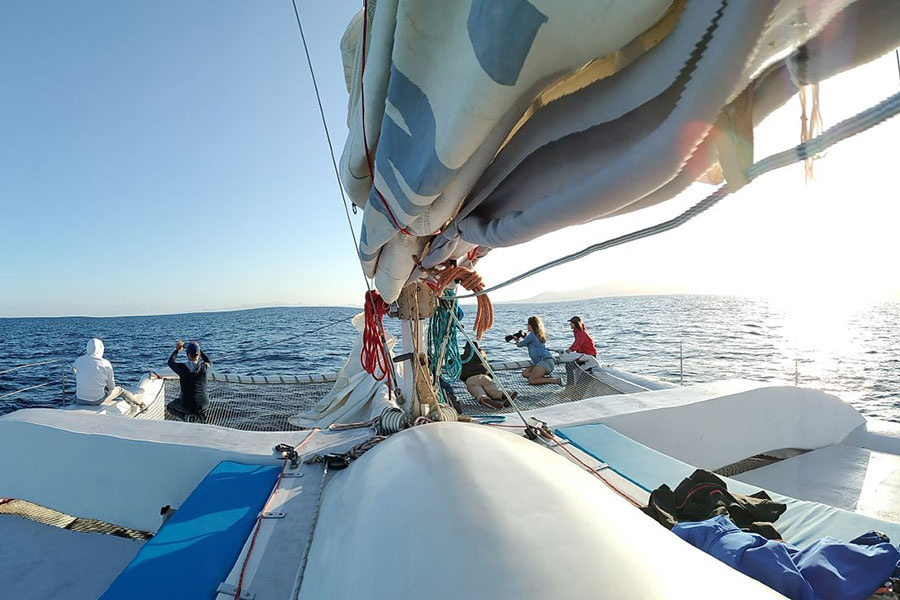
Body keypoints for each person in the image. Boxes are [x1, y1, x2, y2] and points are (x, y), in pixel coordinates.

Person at [72, 338, 145, 410]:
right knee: (121, 390)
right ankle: (139, 403)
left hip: (80, 399)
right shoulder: (105, 363)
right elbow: (111, 387)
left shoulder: (79, 360)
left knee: (77, 395)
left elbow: (73, 370)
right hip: (97, 400)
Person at [460, 339, 517, 410]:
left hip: (471, 379)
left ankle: (484, 399)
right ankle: (508, 394)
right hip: (486, 377)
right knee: (495, 392)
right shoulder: (483, 357)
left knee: (479, 393)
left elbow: (451, 362)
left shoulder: (461, 358)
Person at [166, 340, 211, 420]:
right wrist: (198, 348)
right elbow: (209, 361)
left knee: (170, 407)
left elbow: (170, 362)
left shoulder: (182, 368)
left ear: (188, 354)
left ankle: (185, 417)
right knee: (200, 408)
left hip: (187, 405)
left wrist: (177, 350)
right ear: (199, 355)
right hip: (204, 404)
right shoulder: (204, 367)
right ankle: (201, 418)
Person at [512, 316, 561, 386]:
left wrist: (516, 339)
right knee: (525, 373)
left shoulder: (531, 335)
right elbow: (531, 342)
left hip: (544, 362)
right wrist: (524, 337)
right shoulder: (539, 335)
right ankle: (544, 378)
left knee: (531, 380)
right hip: (548, 361)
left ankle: (555, 381)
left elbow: (520, 344)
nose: (527, 327)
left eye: (527, 325)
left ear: (530, 326)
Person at [560, 316, 600, 386]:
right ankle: (571, 385)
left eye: (571, 323)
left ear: (575, 324)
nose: (570, 325)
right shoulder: (577, 332)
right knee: (570, 366)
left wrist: (570, 350)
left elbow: (578, 343)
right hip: (583, 355)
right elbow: (578, 344)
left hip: (589, 356)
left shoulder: (581, 333)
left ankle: (572, 386)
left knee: (570, 366)